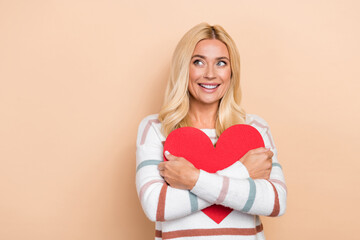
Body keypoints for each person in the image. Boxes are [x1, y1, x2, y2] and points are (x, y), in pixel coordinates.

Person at [136, 22, 287, 240]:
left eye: (221, 63)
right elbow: (157, 207)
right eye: (198, 62)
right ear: (183, 68)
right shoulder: (155, 129)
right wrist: (242, 174)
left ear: (231, 70)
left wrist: (192, 179)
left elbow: (275, 202)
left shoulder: (255, 129)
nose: (210, 74)